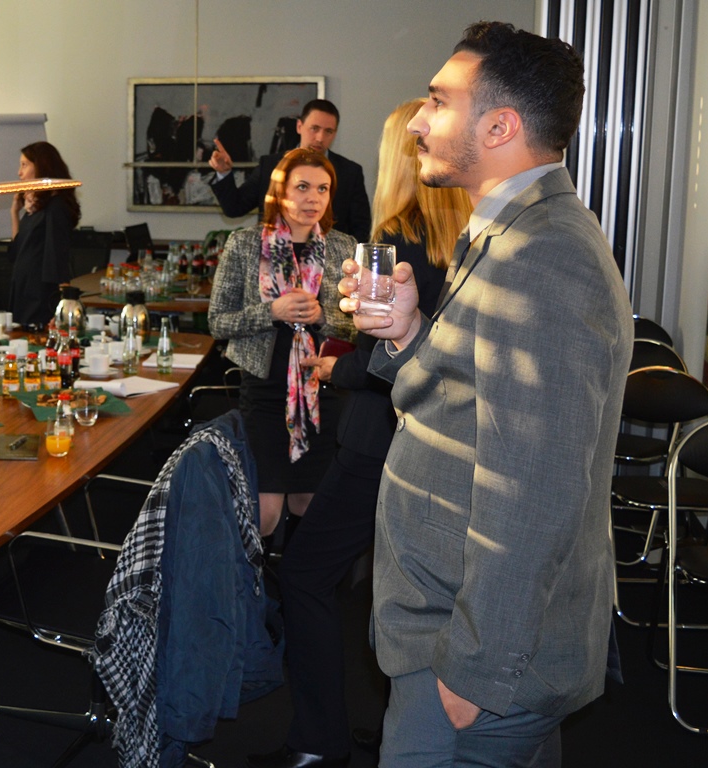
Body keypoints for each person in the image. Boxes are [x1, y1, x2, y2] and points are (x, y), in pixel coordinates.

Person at [337, 22, 632, 766]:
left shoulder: (543, 253)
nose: (419, 122)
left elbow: (537, 486)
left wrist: (479, 668)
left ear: (499, 127)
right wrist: (407, 332)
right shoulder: (504, 232)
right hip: (457, 630)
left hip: (472, 658)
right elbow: (464, 406)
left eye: (439, 101)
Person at [248, 99, 472, 768]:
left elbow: (383, 354)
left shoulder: (395, 235)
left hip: (376, 440)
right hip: (438, 440)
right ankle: (403, 725)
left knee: (305, 576)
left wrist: (334, 369)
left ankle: (318, 741)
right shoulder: (466, 235)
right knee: (411, 590)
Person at [208, 148, 355, 537]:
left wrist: (323, 317)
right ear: (279, 191)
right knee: (265, 515)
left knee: (311, 506)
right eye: (302, 187)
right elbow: (217, 322)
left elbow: (361, 328)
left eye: (323, 189)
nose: (313, 198)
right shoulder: (244, 243)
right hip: (265, 395)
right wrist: (271, 312)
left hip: (324, 394)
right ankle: (253, 576)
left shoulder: (343, 247)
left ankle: (299, 575)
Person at [209, 99, 372, 242]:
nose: (320, 138)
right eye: (314, 128)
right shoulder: (270, 165)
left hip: (329, 260)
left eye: (328, 131)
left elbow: (361, 228)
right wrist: (224, 173)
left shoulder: (350, 172)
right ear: (299, 126)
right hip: (272, 255)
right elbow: (234, 208)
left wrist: (347, 260)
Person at [8, 141, 81, 327]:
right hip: (23, 288)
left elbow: (57, 257)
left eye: (24, 165)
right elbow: (17, 250)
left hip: (40, 295)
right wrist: (14, 213)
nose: (19, 172)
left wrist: (63, 304)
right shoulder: (35, 208)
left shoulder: (55, 207)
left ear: (41, 167)